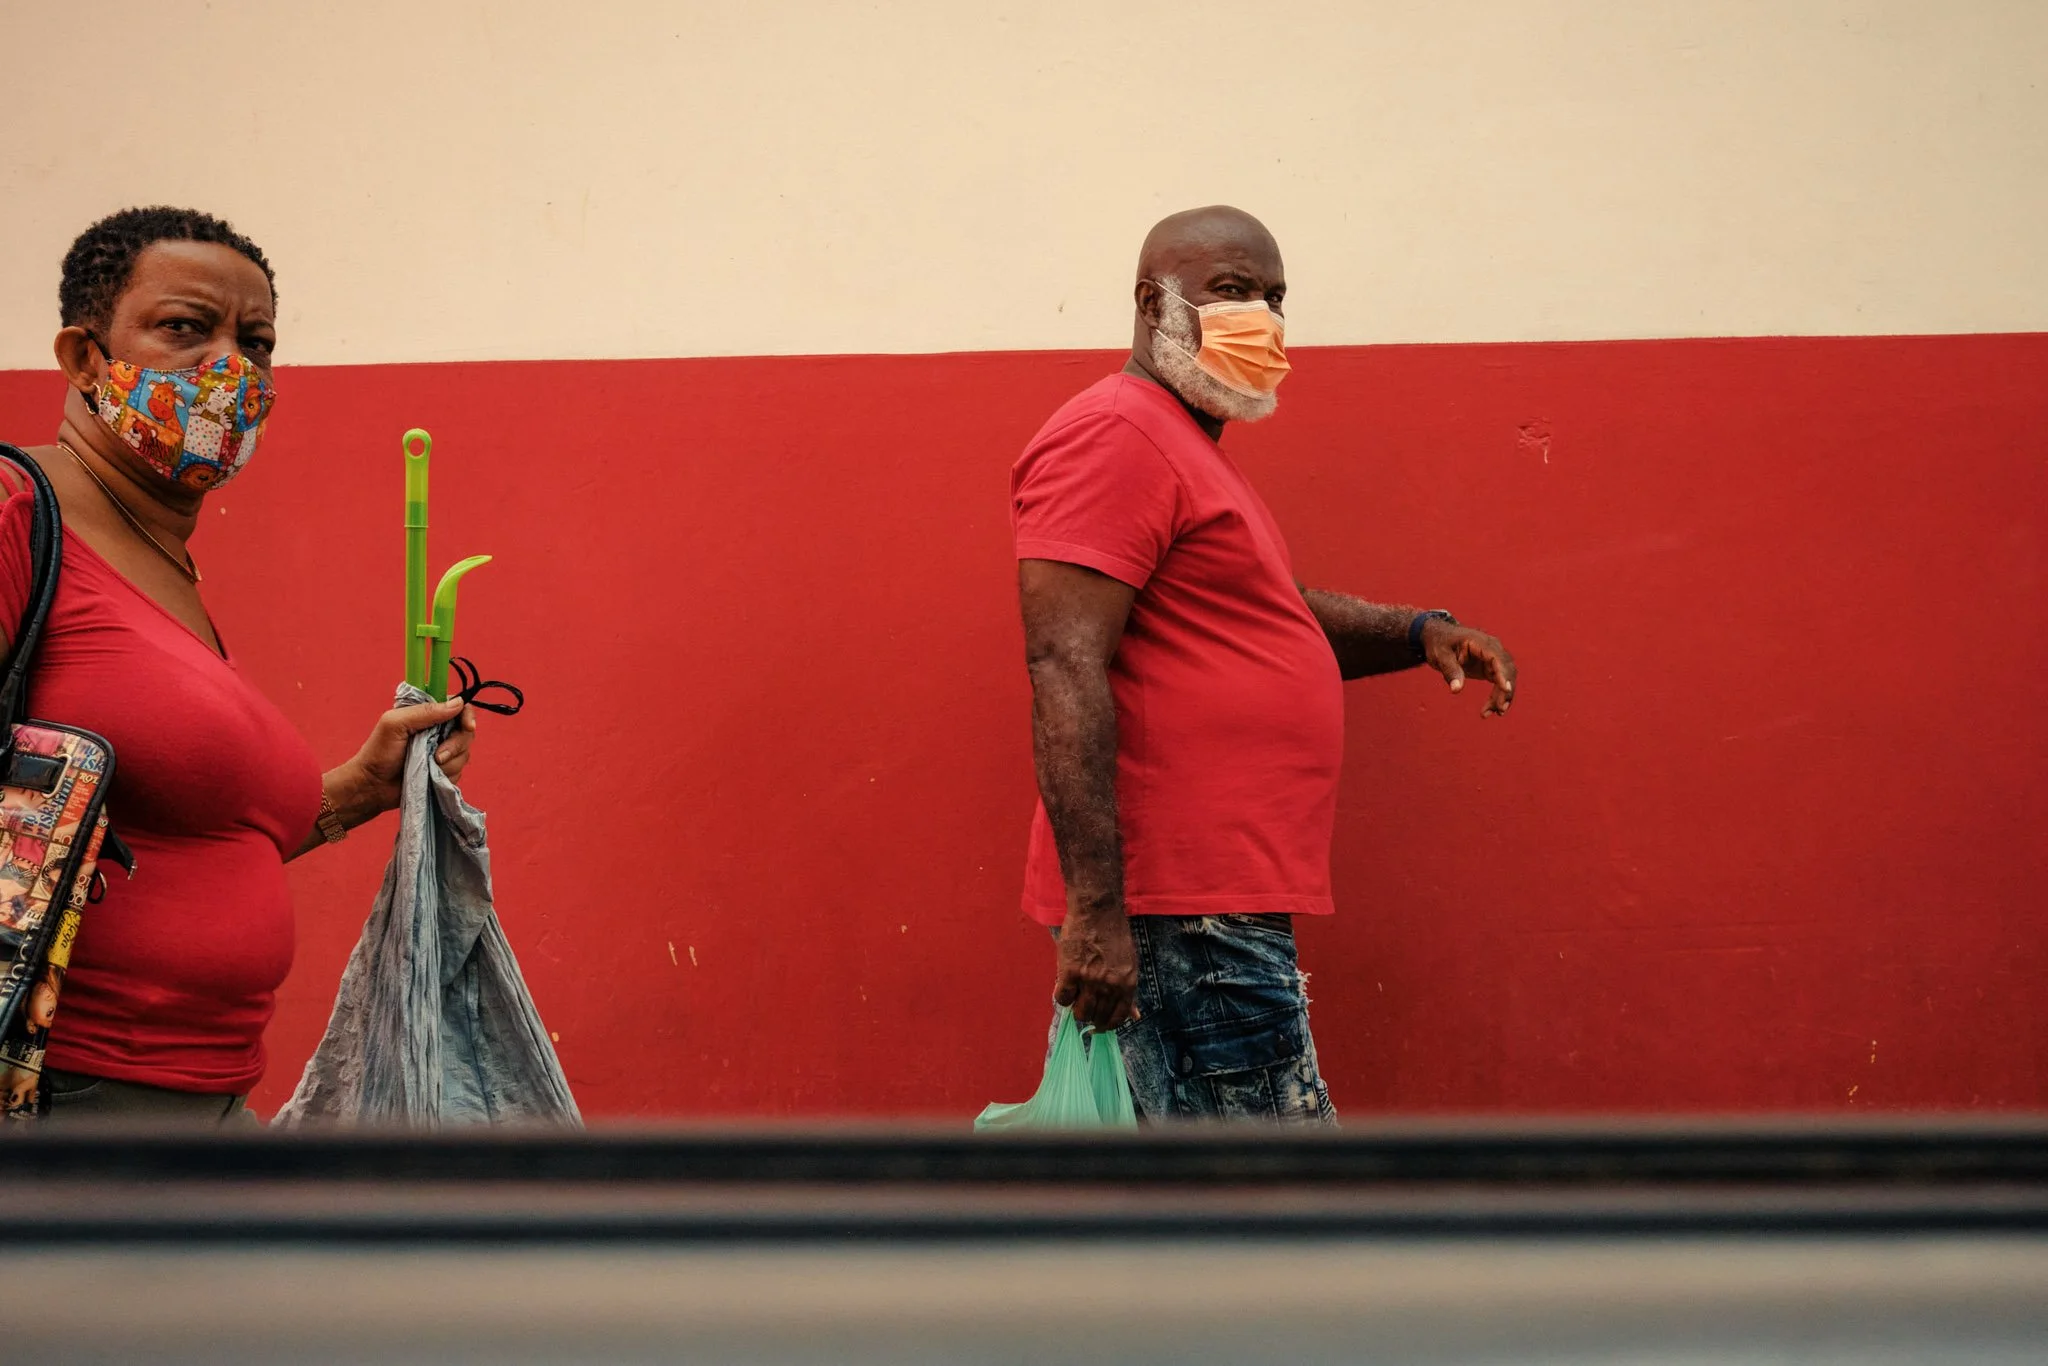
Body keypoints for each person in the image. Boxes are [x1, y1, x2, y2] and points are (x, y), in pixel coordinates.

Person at [1010, 205, 1518, 1123]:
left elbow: (1262, 618)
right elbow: (1062, 664)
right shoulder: (1115, 434)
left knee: (1203, 1189)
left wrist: (1416, 633)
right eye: (1233, 291)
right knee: (1277, 1187)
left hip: (1203, 906)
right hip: (1178, 911)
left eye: (1276, 298)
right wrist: (1097, 913)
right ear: (1152, 303)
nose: (1263, 318)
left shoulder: (1183, 444)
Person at [0, 206, 481, 1125]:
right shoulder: (16, 514)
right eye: (185, 328)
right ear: (84, 358)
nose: (230, 368)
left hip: (203, 1101)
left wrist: (362, 788)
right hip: (64, 1101)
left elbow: (188, 838)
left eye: (255, 343)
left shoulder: (164, 564)